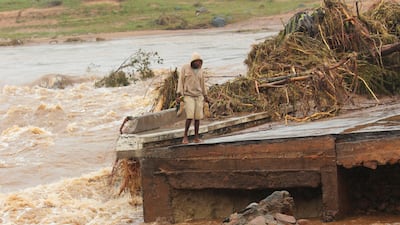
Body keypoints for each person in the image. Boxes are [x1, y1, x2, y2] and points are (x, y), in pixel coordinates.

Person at [176, 52, 208, 144]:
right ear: (193, 62)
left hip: (198, 96)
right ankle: (185, 136)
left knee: (198, 117)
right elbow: (180, 82)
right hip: (188, 95)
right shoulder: (185, 68)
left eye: (200, 62)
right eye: (196, 62)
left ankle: (196, 137)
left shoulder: (201, 71)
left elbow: (203, 84)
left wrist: (205, 96)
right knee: (190, 116)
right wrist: (179, 95)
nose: (198, 64)